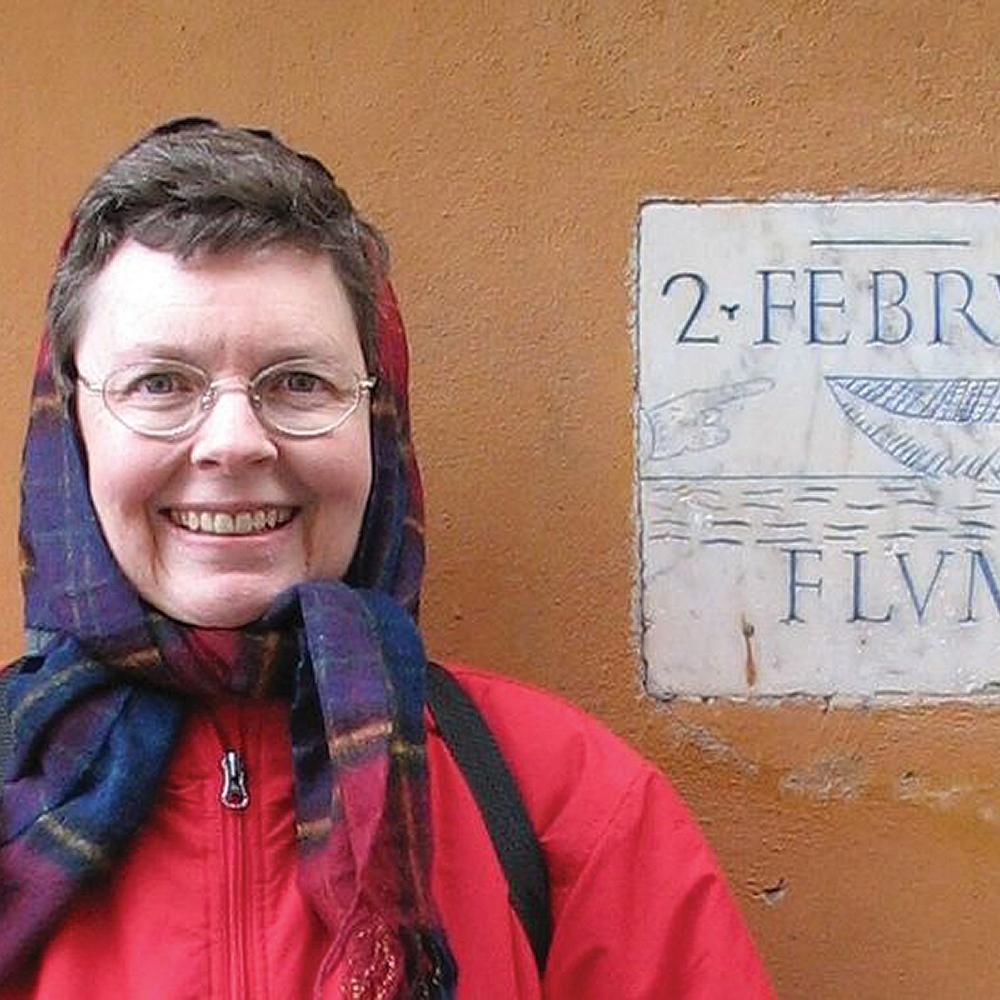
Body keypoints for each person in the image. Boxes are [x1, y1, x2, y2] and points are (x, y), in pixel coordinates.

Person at [0, 118, 774, 999]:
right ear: (74, 427)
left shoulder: (569, 806)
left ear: (375, 421)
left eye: (298, 382)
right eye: (160, 384)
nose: (234, 441)